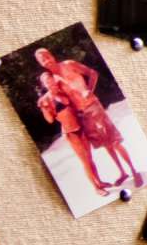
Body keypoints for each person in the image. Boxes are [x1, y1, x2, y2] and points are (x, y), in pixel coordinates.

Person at [33, 45, 139, 193]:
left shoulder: (69, 64)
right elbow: (51, 96)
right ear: (40, 64)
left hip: (93, 107)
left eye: (47, 56)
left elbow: (93, 73)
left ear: (52, 55)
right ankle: (122, 172)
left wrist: (89, 90)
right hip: (82, 116)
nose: (46, 61)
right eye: (42, 60)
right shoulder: (54, 81)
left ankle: (134, 171)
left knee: (114, 140)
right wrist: (43, 103)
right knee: (105, 144)